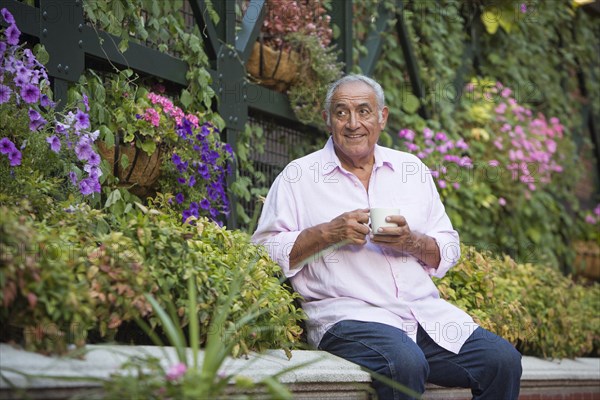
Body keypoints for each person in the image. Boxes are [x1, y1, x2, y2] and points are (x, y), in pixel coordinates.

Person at [251, 74, 522, 399]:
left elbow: (448, 247)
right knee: (403, 363)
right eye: (341, 113)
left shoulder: (412, 170)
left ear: (383, 117)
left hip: (422, 315)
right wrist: (328, 233)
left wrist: (411, 241)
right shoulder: (298, 176)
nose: (353, 123)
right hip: (348, 316)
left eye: (364, 111)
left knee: (502, 362)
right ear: (327, 120)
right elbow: (263, 252)